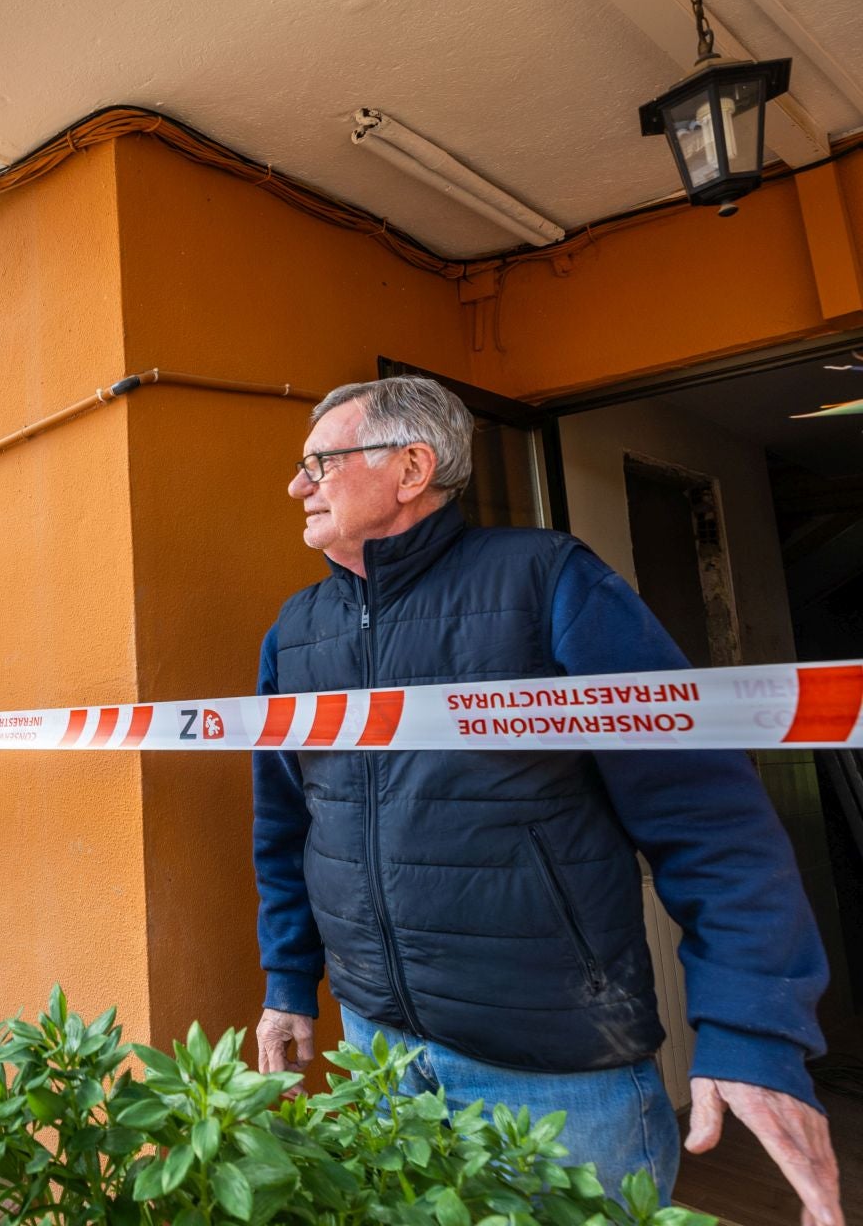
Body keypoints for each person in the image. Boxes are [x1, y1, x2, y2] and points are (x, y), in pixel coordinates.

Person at [251, 376, 841, 1223]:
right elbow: (288, 825)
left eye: (319, 463)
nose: (296, 486)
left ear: (411, 468)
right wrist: (286, 979)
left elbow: (707, 816)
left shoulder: (549, 582)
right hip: (374, 1052)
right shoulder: (295, 631)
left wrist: (753, 1031)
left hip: (554, 1076)